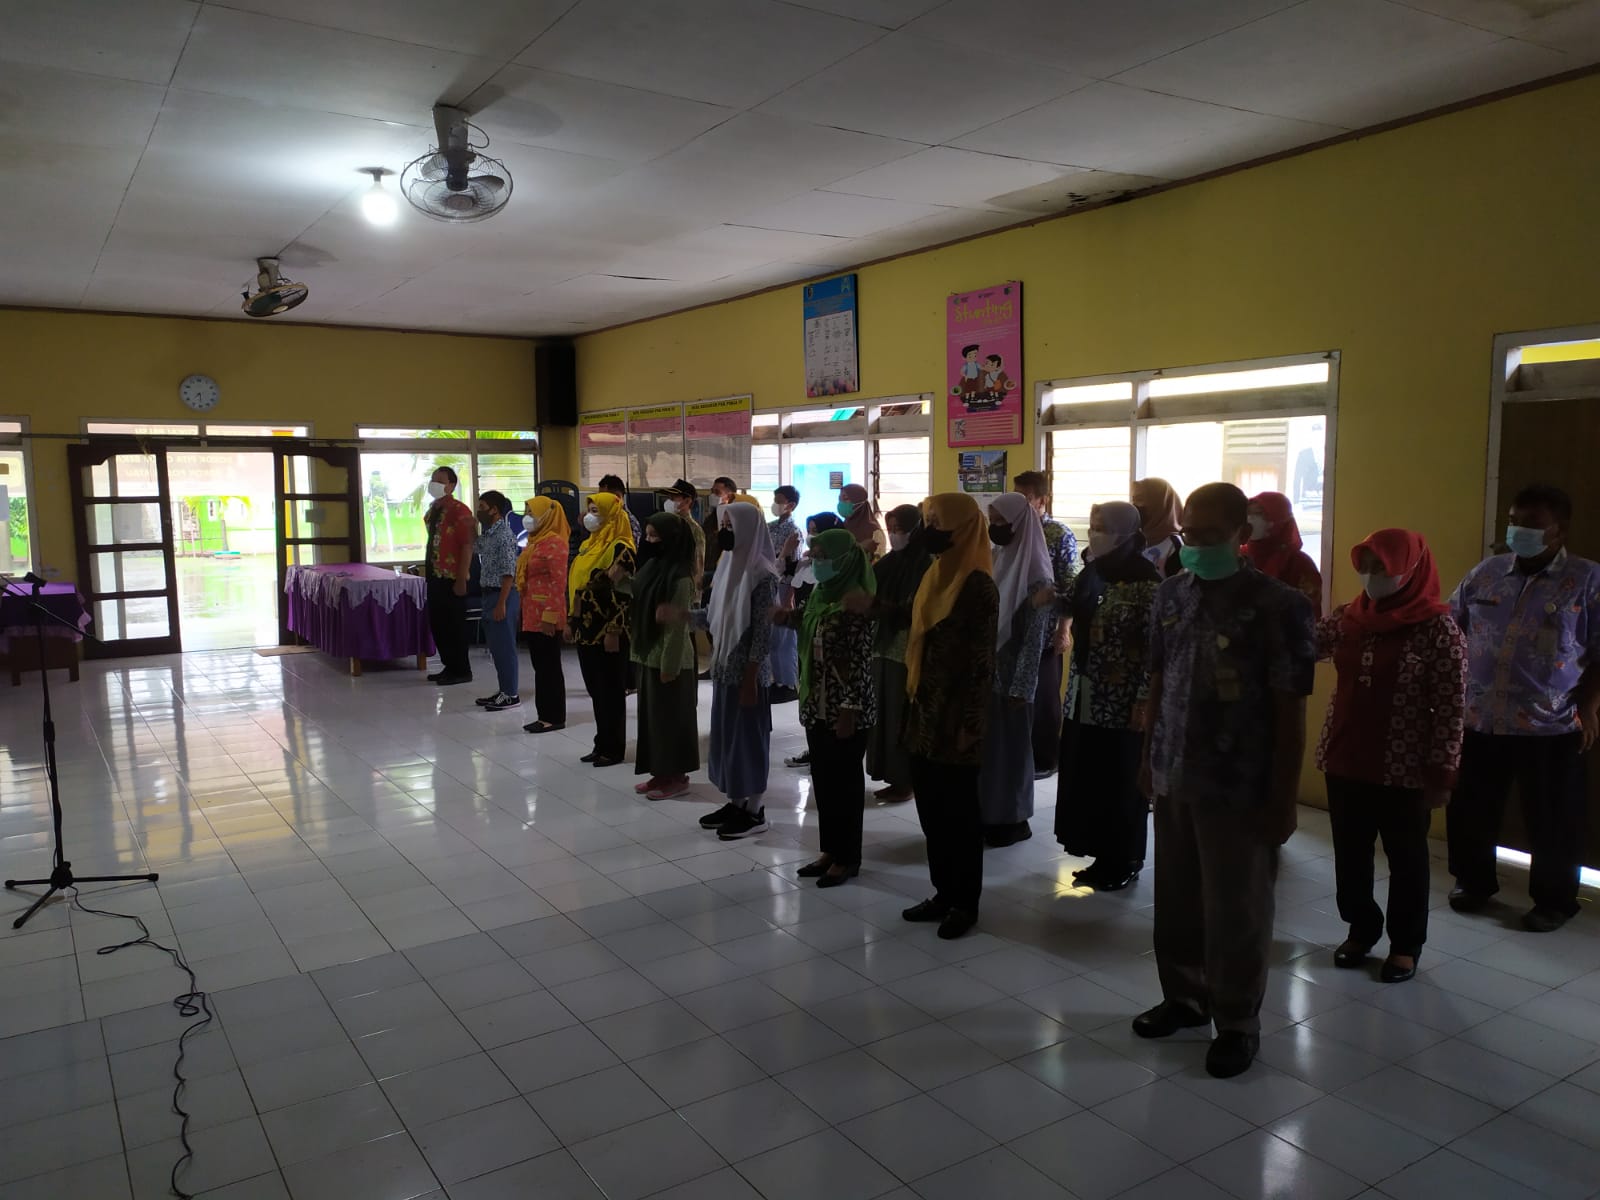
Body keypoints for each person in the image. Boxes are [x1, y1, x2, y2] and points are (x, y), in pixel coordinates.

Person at [1134, 481, 1315, 1079]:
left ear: (1242, 534)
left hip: (1240, 784)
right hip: (1175, 772)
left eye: (1211, 535)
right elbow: (1158, 677)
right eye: (1190, 534)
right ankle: (1185, 998)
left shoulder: (1279, 605)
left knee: (1237, 907)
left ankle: (1237, 1021)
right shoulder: (1171, 593)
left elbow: (1291, 709)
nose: (1196, 545)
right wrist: (1148, 757)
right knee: (1177, 899)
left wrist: (1283, 798)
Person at [1447, 484, 1600, 933]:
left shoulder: (1588, 580)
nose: (1519, 531)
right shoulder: (1487, 573)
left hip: (1551, 724)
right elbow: (1450, 626)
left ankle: (1554, 901)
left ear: (1559, 530)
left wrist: (1590, 706)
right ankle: (1473, 882)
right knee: (1472, 807)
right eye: (1514, 521)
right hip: (1481, 718)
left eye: (1532, 524)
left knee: (1554, 817)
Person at [1317, 530, 1466, 982]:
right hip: (1346, 755)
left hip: (1405, 766)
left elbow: (1452, 706)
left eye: (1381, 566)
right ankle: (1361, 928)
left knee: (1406, 859)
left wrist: (1443, 772)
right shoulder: (1349, 618)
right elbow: (1303, 644)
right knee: (1350, 853)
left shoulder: (1438, 630)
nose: (1371, 576)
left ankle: (1405, 944)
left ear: (1412, 568)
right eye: (1365, 566)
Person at [901, 493, 999, 940]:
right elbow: (915, 628)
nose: (930, 530)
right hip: (924, 709)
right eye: (928, 520)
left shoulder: (978, 585)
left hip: (957, 719)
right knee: (932, 811)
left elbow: (982, 665)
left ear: (962, 528)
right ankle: (942, 892)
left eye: (938, 522)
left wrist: (970, 726)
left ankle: (965, 902)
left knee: (959, 815)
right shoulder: (935, 573)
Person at [1054, 502, 1162, 890]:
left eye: (1102, 527)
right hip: (1085, 697)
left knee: (1121, 784)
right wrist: (1046, 598)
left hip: (1122, 705)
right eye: (1093, 525)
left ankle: (1125, 859)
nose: (1094, 533)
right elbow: (1073, 605)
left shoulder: (1147, 584)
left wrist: (1144, 701)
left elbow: (1153, 650)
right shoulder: (1094, 572)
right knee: (1091, 780)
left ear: (1126, 533)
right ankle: (1102, 856)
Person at [784, 528, 876, 886]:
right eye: (815, 555)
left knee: (846, 784)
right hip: (818, 704)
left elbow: (860, 660)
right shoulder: (821, 595)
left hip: (846, 709)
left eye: (823, 556)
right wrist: (785, 618)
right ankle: (830, 850)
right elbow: (809, 626)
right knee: (823, 781)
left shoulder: (857, 600)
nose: (816, 561)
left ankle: (848, 857)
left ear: (844, 559)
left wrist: (849, 709)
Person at [698, 501, 778, 838]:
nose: (725, 533)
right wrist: (682, 616)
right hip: (724, 670)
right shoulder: (728, 566)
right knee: (728, 741)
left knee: (749, 742)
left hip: (748, 675)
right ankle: (737, 801)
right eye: (723, 526)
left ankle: (755, 811)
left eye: (731, 527)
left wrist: (750, 679)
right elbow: (715, 617)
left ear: (747, 529)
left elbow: (762, 634)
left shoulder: (762, 575)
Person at [980, 491, 1055, 847]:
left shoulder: (1037, 577)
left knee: (1012, 751)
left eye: (1001, 521)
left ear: (1020, 523)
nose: (995, 528)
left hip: (1013, 680)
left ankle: (1013, 819)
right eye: (992, 521)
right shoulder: (998, 559)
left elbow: (1033, 640)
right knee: (991, 752)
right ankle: (989, 814)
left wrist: (1022, 688)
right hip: (989, 674)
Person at [620, 513, 700, 799]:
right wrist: (619, 580)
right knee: (653, 721)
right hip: (648, 655)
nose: (649, 541)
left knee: (671, 720)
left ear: (670, 539)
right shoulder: (654, 566)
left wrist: (669, 666)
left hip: (671, 661)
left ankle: (676, 777)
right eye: (647, 535)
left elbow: (676, 629)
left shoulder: (680, 577)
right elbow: (638, 590)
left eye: (654, 536)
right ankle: (660, 773)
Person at [861, 504, 932, 804]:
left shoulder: (926, 564)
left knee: (899, 714)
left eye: (899, 529)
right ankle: (891, 775)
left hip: (906, 649)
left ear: (916, 530)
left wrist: (880, 607)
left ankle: (905, 780)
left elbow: (916, 609)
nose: (893, 535)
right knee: (883, 712)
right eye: (890, 529)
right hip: (882, 645)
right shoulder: (890, 562)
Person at [1014, 470, 1079, 779]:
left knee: (1044, 696)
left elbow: (1070, 585)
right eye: (1017, 497)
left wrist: (1063, 629)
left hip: (1047, 628)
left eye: (1027, 498)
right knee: (1019, 693)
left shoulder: (1058, 533)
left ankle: (1046, 757)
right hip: (1017, 626)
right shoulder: (1013, 529)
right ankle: (1021, 753)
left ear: (1042, 500)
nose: (1022, 503)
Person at [567, 492, 635, 767]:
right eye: (590, 510)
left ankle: (613, 748)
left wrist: (614, 629)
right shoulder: (588, 545)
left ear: (611, 515)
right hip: (586, 628)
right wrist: (572, 621)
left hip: (608, 631)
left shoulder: (622, 549)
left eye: (596, 511)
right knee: (596, 689)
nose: (589, 516)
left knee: (611, 690)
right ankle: (601, 743)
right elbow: (577, 586)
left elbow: (624, 595)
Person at [782, 511, 844, 770]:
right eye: (810, 529)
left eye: (817, 530)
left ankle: (829, 753)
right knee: (811, 699)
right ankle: (816, 748)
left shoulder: (841, 577)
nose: (811, 536)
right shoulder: (809, 564)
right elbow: (788, 578)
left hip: (830, 658)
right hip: (809, 642)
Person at [517, 496, 570, 734]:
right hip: (531, 613)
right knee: (540, 667)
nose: (527, 517)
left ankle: (554, 717)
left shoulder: (555, 543)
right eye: (526, 512)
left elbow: (559, 584)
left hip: (546, 615)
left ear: (546, 516)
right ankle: (544, 715)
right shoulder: (535, 541)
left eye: (532, 512)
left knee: (549, 667)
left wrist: (550, 617)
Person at [423, 465, 475, 686]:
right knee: (438, 623)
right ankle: (449, 666)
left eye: (440, 481)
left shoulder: (459, 510)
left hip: (452, 576)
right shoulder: (433, 509)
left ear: (451, 486)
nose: (434, 484)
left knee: (454, 625)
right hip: (435, 573)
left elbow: (467, 545)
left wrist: (462, 578)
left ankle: (461, 670)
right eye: (433, 480)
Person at [473, 491, 521, 711]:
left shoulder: (504, 535)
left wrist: (502, 603)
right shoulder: (490, 533)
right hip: (490, 595)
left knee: (504, 647)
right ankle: (503, 690)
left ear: (494, 509)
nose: (479, 511)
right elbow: (476, 547)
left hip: (502, 595)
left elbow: (509, 573)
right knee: (496, 648)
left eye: (482, 507)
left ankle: (511, 694)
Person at [1247, 492, 1323, 617]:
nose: (1250, 519)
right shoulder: (1240, 556)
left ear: (1278, 519)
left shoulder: (1300, 563)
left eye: (1258, 514)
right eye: (1248, 513)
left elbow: (1308, 612)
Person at [767, 485, 802, 703]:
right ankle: (777, 680)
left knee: (785, 639)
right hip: (769, 584)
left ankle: (788, 683)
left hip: (785, 586)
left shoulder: (794, 531)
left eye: (779, 500)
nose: (775, 504)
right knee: (773, 637)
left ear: (791, 505)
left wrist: (790, 593)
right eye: (775, 499)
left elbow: (794, 567)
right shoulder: (769, 527)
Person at [1131, 477, 1184, 578]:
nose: (1134, 505)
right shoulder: (1133, 539)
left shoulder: (1176, 546)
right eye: (1133, 500)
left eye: (1139, 499)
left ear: (1159, 503)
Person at [701, 476, 739, 587]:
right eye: (712, 491)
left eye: (717, 492)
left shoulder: (735, 518)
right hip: (707, 567)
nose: (712, 495)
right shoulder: (710, 518)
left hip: (724, 569)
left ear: (730, 495)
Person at [837, 482, 888, 561]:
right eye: (839, 499)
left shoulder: (874, 532)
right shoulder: (841, 527)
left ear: (859, 501)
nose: (841, 503)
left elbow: (878, 563)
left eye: (845, 499)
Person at [598, 473, 642, 546]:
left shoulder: (630, 522)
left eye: (604, 497)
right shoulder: (602, 516)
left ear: (617, 496)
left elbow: (630, 548)